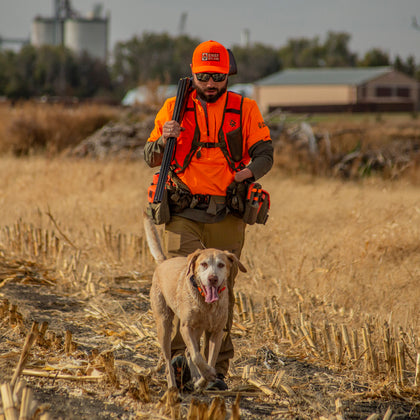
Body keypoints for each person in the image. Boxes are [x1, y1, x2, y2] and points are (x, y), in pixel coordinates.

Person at [144, 40, 273, 390]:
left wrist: (246, 174)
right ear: (193, 74)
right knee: (185, 289)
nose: (211, 84)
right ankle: (180, 370)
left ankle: (217, 373)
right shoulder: (173, 107)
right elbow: (150, 156)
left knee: (221, 292)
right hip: (182, 210)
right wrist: (163, 139)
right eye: (203, 77)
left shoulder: (244, 108)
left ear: (227, 74)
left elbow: (265, 154)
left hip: (228, 212)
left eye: (217, 77)